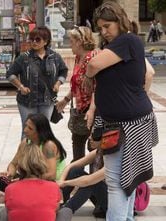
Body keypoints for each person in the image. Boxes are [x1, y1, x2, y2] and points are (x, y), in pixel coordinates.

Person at [83, 2, 159, 219]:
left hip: (128, 124)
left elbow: (93, 65)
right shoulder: (124, 44)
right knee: (128, 180)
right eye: (101, 28)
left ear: (120, 21)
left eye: (108, 26)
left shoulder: (127, 40)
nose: (104, 32)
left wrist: (90, 72)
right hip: (124, 121)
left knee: (116, 182)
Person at [6, 26, 68, 136]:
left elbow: (63, 71)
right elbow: (10, 74)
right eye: (32, 39)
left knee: (43, 132)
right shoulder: (23, 58)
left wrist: (58, 83)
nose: (34, 42)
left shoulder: (55, 57)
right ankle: (26, 153)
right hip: (27, 101)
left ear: (46, 41)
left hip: (47, 100)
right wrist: (20, 87)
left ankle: (40, 153)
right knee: (27, 131)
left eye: (37, 39)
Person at [0, 113, 67, 203]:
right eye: (26, 126)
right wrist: (10, 174)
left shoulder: (49, 146)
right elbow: (13, 163)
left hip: (48, 181)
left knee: (24, 186)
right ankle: (19, 193)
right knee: (1, 179)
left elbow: (51, 175)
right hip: (31, 177)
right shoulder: (25, 142)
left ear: (40, 131)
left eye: (30, 128)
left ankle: (14, 194)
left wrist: (24, 180)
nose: (25, 130)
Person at [56, 26, 99, 161]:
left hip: (93, 110)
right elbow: (77, 85)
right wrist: (65, 100)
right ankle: (78, 177)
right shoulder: (78, 58)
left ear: (80, 42)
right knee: (77, 147)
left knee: (93, 148)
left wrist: (91, 109)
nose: (70, 44)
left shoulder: (92, 57)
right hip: (80, 110)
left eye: (71, 41)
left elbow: (97, 87)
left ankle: (93, 179)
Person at [0, 142, 60, 221]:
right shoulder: (53, 187)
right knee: (66, 211)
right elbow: (55, 210)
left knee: (3, 212)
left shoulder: (10, 189)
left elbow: (9, 209)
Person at [57, 147, 107, 220]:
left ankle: (66, 209)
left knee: (92, 183)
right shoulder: (98, 152)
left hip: (110, 204)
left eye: (94, 137)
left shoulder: (111, 158)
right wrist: (61, 182)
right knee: (74, 171)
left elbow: (88, 181)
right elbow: (71, 166)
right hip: (100, 195)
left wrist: (65, 183)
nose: (90, 138)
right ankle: (60, 203)